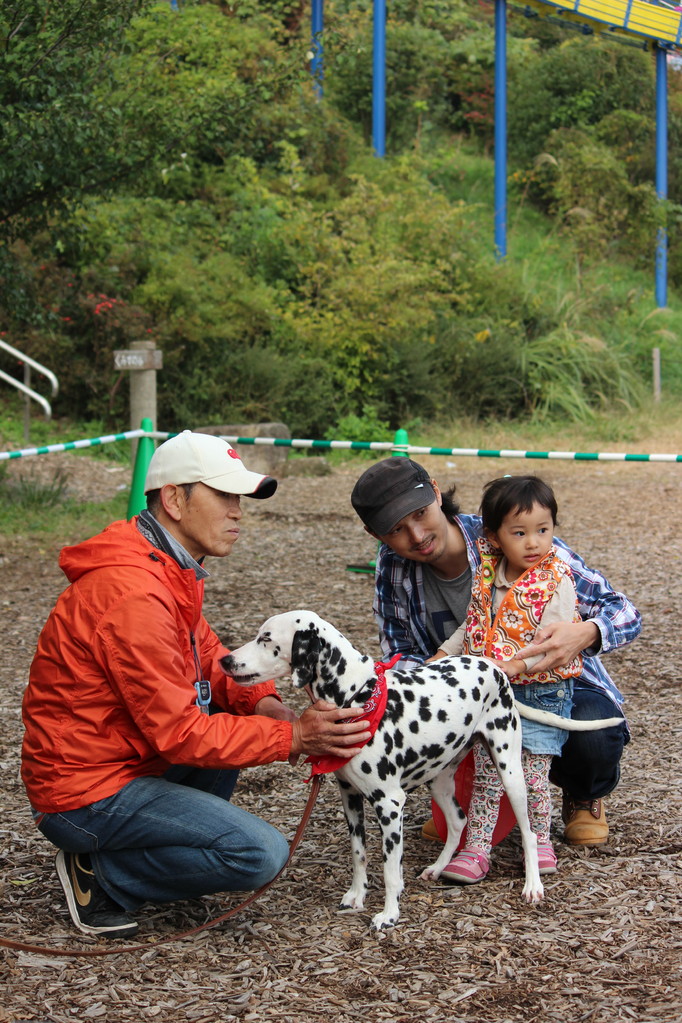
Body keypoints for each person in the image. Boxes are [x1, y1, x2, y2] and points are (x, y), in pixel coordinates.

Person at [21, 430, 372, 939]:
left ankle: (127, 848)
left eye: (239, 498)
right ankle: (103, 876)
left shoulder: (162, 564)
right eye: (225, 496)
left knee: (231, 725)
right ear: (175, 499)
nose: (237, 512)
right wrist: (293, 737)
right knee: (260, 855)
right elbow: (180, 734)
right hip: (83, 792)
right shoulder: (134, 595)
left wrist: (265, 702)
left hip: (123, 760)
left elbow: (206, 653)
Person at [350, 457, 641, 852]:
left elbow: (623, 611)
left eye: (420, 514)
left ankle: (583, 792)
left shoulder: (511, 530)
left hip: (552, 686)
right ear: (374, 534)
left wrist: (586, 632)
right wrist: (435, 686)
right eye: (396, 530)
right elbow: (398, 650)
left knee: (595, 729)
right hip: (469, 695)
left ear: (436, 492)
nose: (416, 536)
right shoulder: (393, 567)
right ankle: (459, 805)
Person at [430, 475, 586, 882]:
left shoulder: (556, 582)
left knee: (532, 775)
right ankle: (477, 849)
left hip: (541, 693)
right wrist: (444, 654)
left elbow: (550, 646)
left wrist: (512, 667)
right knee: (489, 773)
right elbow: (473, 625)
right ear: (495, 537)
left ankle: (539, 841)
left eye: (543, 530)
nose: (533, 543)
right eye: (520, 533)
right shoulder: (488, 576)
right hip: (493, 697)